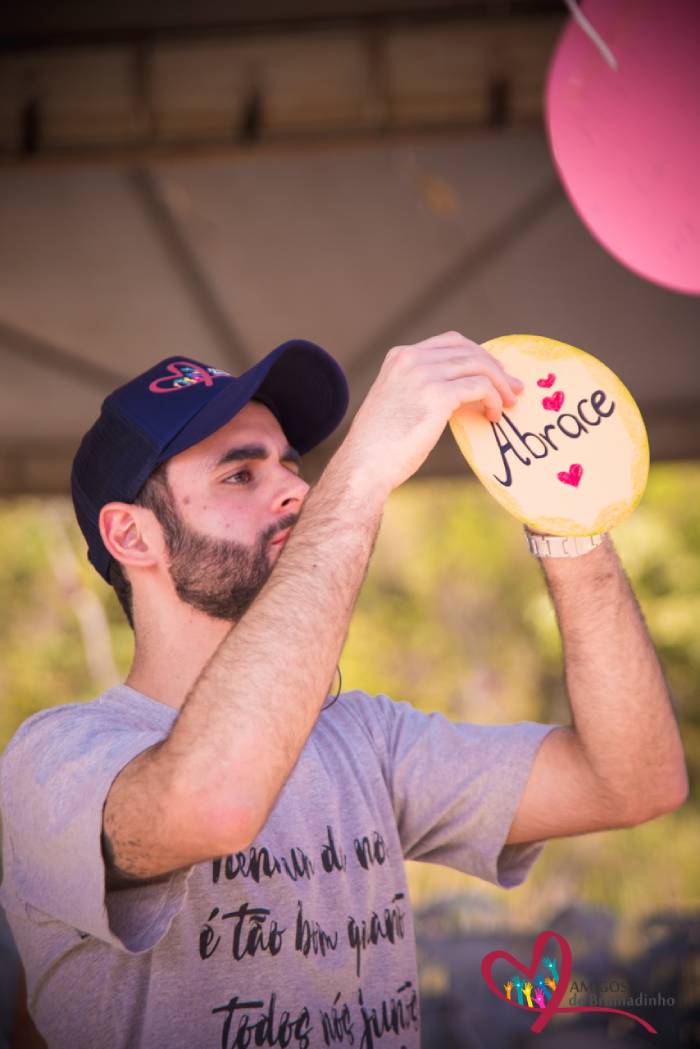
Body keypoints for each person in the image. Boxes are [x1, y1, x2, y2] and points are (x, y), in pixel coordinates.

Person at [0, 333, 687, 1049]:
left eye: (294, 467)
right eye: (241, 476)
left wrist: (565, 516)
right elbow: (217, 799)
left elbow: (634, 781)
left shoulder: (364, 737)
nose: (296, 488)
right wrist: (360, 474)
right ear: (132, 536)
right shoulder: (54, 757)